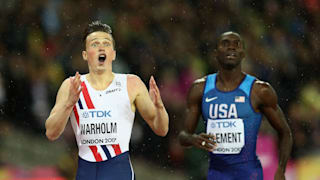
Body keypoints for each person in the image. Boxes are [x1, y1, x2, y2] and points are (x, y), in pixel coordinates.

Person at [45, 21, 169, 180]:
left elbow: (162, 129)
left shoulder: (131, 84)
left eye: (106, 44)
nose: (101, 48)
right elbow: (51, 133)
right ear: (85, 54)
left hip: (118, 171)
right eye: (95, 44)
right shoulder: (71, 85)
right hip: (86, 171)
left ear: (113, 53)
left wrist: (159, 107)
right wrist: (69, 104)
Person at [178, 31, 293, 180]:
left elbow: (285, 133)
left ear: (243, 53)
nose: (231, 48)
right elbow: (183, 136)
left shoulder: (259, 91)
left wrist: (281, 170)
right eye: (225, 44)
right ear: (215, 53)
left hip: (249, 175)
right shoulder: (200, 89)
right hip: (216, 174)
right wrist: (194, 139)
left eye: (236, 45)